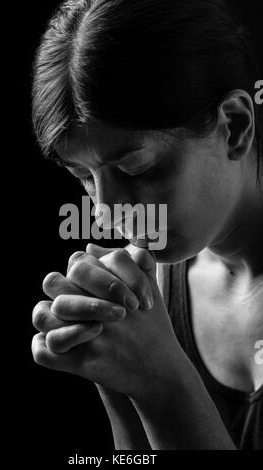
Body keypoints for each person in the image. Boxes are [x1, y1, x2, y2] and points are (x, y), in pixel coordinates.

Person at [31, 0, 263, 449]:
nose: (106, 212)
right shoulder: (149, 293)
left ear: (233, 127)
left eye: (137, 170)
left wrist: (165, 384)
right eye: (82, 178)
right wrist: (118, 375)